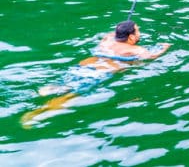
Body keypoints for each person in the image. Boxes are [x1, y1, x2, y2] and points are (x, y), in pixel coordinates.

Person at [21, 20, 170, 126]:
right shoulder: (136, 50)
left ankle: (47, 90)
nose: (140, 32)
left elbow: (112, 33)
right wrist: (164, 47)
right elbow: (151, 57)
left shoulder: (107, 39)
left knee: (66, 84)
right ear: (131, 37)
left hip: (84, 65)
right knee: (72, 95)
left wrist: (123, 27)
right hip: (100, 73)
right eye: (138, 30)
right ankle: (39, 113)